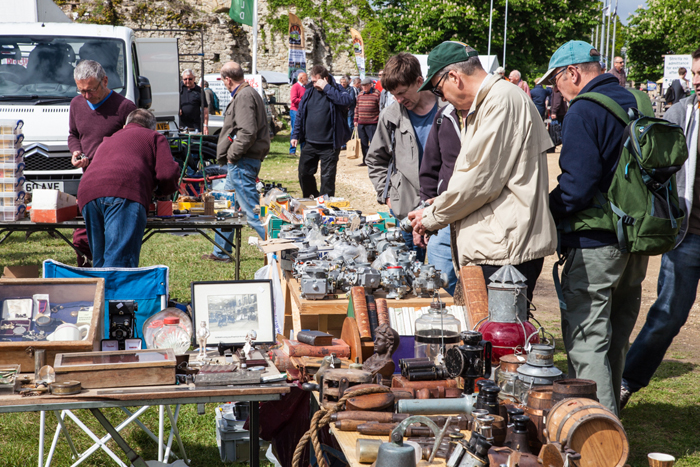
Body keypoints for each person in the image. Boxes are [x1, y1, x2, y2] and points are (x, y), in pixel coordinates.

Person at [542, 40, 650, 416]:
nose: (557, 91)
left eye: (557, 82)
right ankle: (609, 429)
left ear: (572, 73)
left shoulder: (584, 110)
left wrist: (546, 210)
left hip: (595, 245)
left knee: (588, 346)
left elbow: (577, 186)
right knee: (615, 342)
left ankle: (599, 445)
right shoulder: (637, 101)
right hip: (636, 240)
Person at [408, 41, 556, 302]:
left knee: (497, 338)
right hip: (498, 248)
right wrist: (438, 203)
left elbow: (480, 182)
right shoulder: (491, 102)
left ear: (454, 76)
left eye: (439, 90)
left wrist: (431, 217)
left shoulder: (501, 102)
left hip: (504, 253)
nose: (442, 98)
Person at [620, 47, 700, 410]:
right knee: (667, 315)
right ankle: (626, 382)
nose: (696, 82)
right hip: (687, 235)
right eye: (695, 75)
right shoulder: (683, 112)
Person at [77, 109, 179, 267]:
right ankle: (117, 291)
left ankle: (102, 291)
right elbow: (167, 173)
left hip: (87, 193)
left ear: (125, 125)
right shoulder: (154, 136)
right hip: (123, 191)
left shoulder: (108, 139)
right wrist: (161, 192)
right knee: (119, 263)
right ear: (153, 128)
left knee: (100, 259)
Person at [366, 52, 441, 263]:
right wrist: (388, 195)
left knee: (445, 277)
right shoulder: (390, 116)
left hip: (445, 209)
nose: (398, 100)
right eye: (393, 95)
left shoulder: (448, 109)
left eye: (402, 93)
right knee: (411, 276)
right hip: (406, 209)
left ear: (419, 81)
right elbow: (375, 159)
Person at [68, 59, 137, 267]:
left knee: (115, 241)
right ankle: (91, 275)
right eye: (81, 91)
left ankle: (114, 283)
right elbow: (73, 134)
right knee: (85, 237)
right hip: (89, 181)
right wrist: (76, 151)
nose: (86, 96)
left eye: (90, 90)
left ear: (105, 81)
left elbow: (132, 144)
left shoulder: (125, 107)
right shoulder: (76, 104)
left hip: (117, 185)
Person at [202, 62, 270, 263]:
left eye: (222, 80)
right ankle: (222, 252)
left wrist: (232, 155)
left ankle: (281, 250)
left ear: (227, 79)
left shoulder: (244, 96)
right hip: (241, 163)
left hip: (242, 162)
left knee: (252, 213)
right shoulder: (247, 93)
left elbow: (247, 132)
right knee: (227, 209)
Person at [291, 65, 354, 198]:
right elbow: (300, 114)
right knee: (304, 173)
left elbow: (346, 101)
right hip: (310, 143)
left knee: (327, 179)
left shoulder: (336, 89)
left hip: (329, 145)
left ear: (325, 79)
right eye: (312, 81)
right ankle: (311, 198)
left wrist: (326, 88)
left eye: (316, 81)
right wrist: (295, 134)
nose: (313, 84)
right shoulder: (309, 92)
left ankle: (324, 208)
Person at [419, 98, 462, 296]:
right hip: (444, 216)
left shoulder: (490, 112)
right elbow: (430, 164)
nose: (441, 95)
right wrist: (425, 209)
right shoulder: (444, 116)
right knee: (442, 288)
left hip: (480, 217)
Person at [354, 77, 381, 166]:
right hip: (361, 123)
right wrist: (355, 120)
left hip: (372, 123)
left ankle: (375, 161)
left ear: (371, 85)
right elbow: (357, 108)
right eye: (363, 86)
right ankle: (365, 160)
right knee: (363, 143)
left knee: (374, 142)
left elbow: (380, 108)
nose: (364, 87)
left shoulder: (377, 94)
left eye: (366, 85)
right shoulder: (360, 94)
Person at [179, 69, 208, 134]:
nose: (187, 81)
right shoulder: (179, 89)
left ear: (194, 78)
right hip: (181, 126)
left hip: (195, 126)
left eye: (190, 79)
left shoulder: (199, 91)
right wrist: (177, 108)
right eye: (185, 79)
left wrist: (205, 126)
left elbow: (205, 109)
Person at [289, 72, 307, 155]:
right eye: (306, 78)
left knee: (303, 130)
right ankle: (292, 150)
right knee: (295, 129)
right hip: (295, 110)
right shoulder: (295, 86)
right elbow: (293, 99)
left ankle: (303, 150)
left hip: (303, 111)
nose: (307, 79)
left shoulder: (305, 87)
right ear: (301, 78)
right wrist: (304, 101)